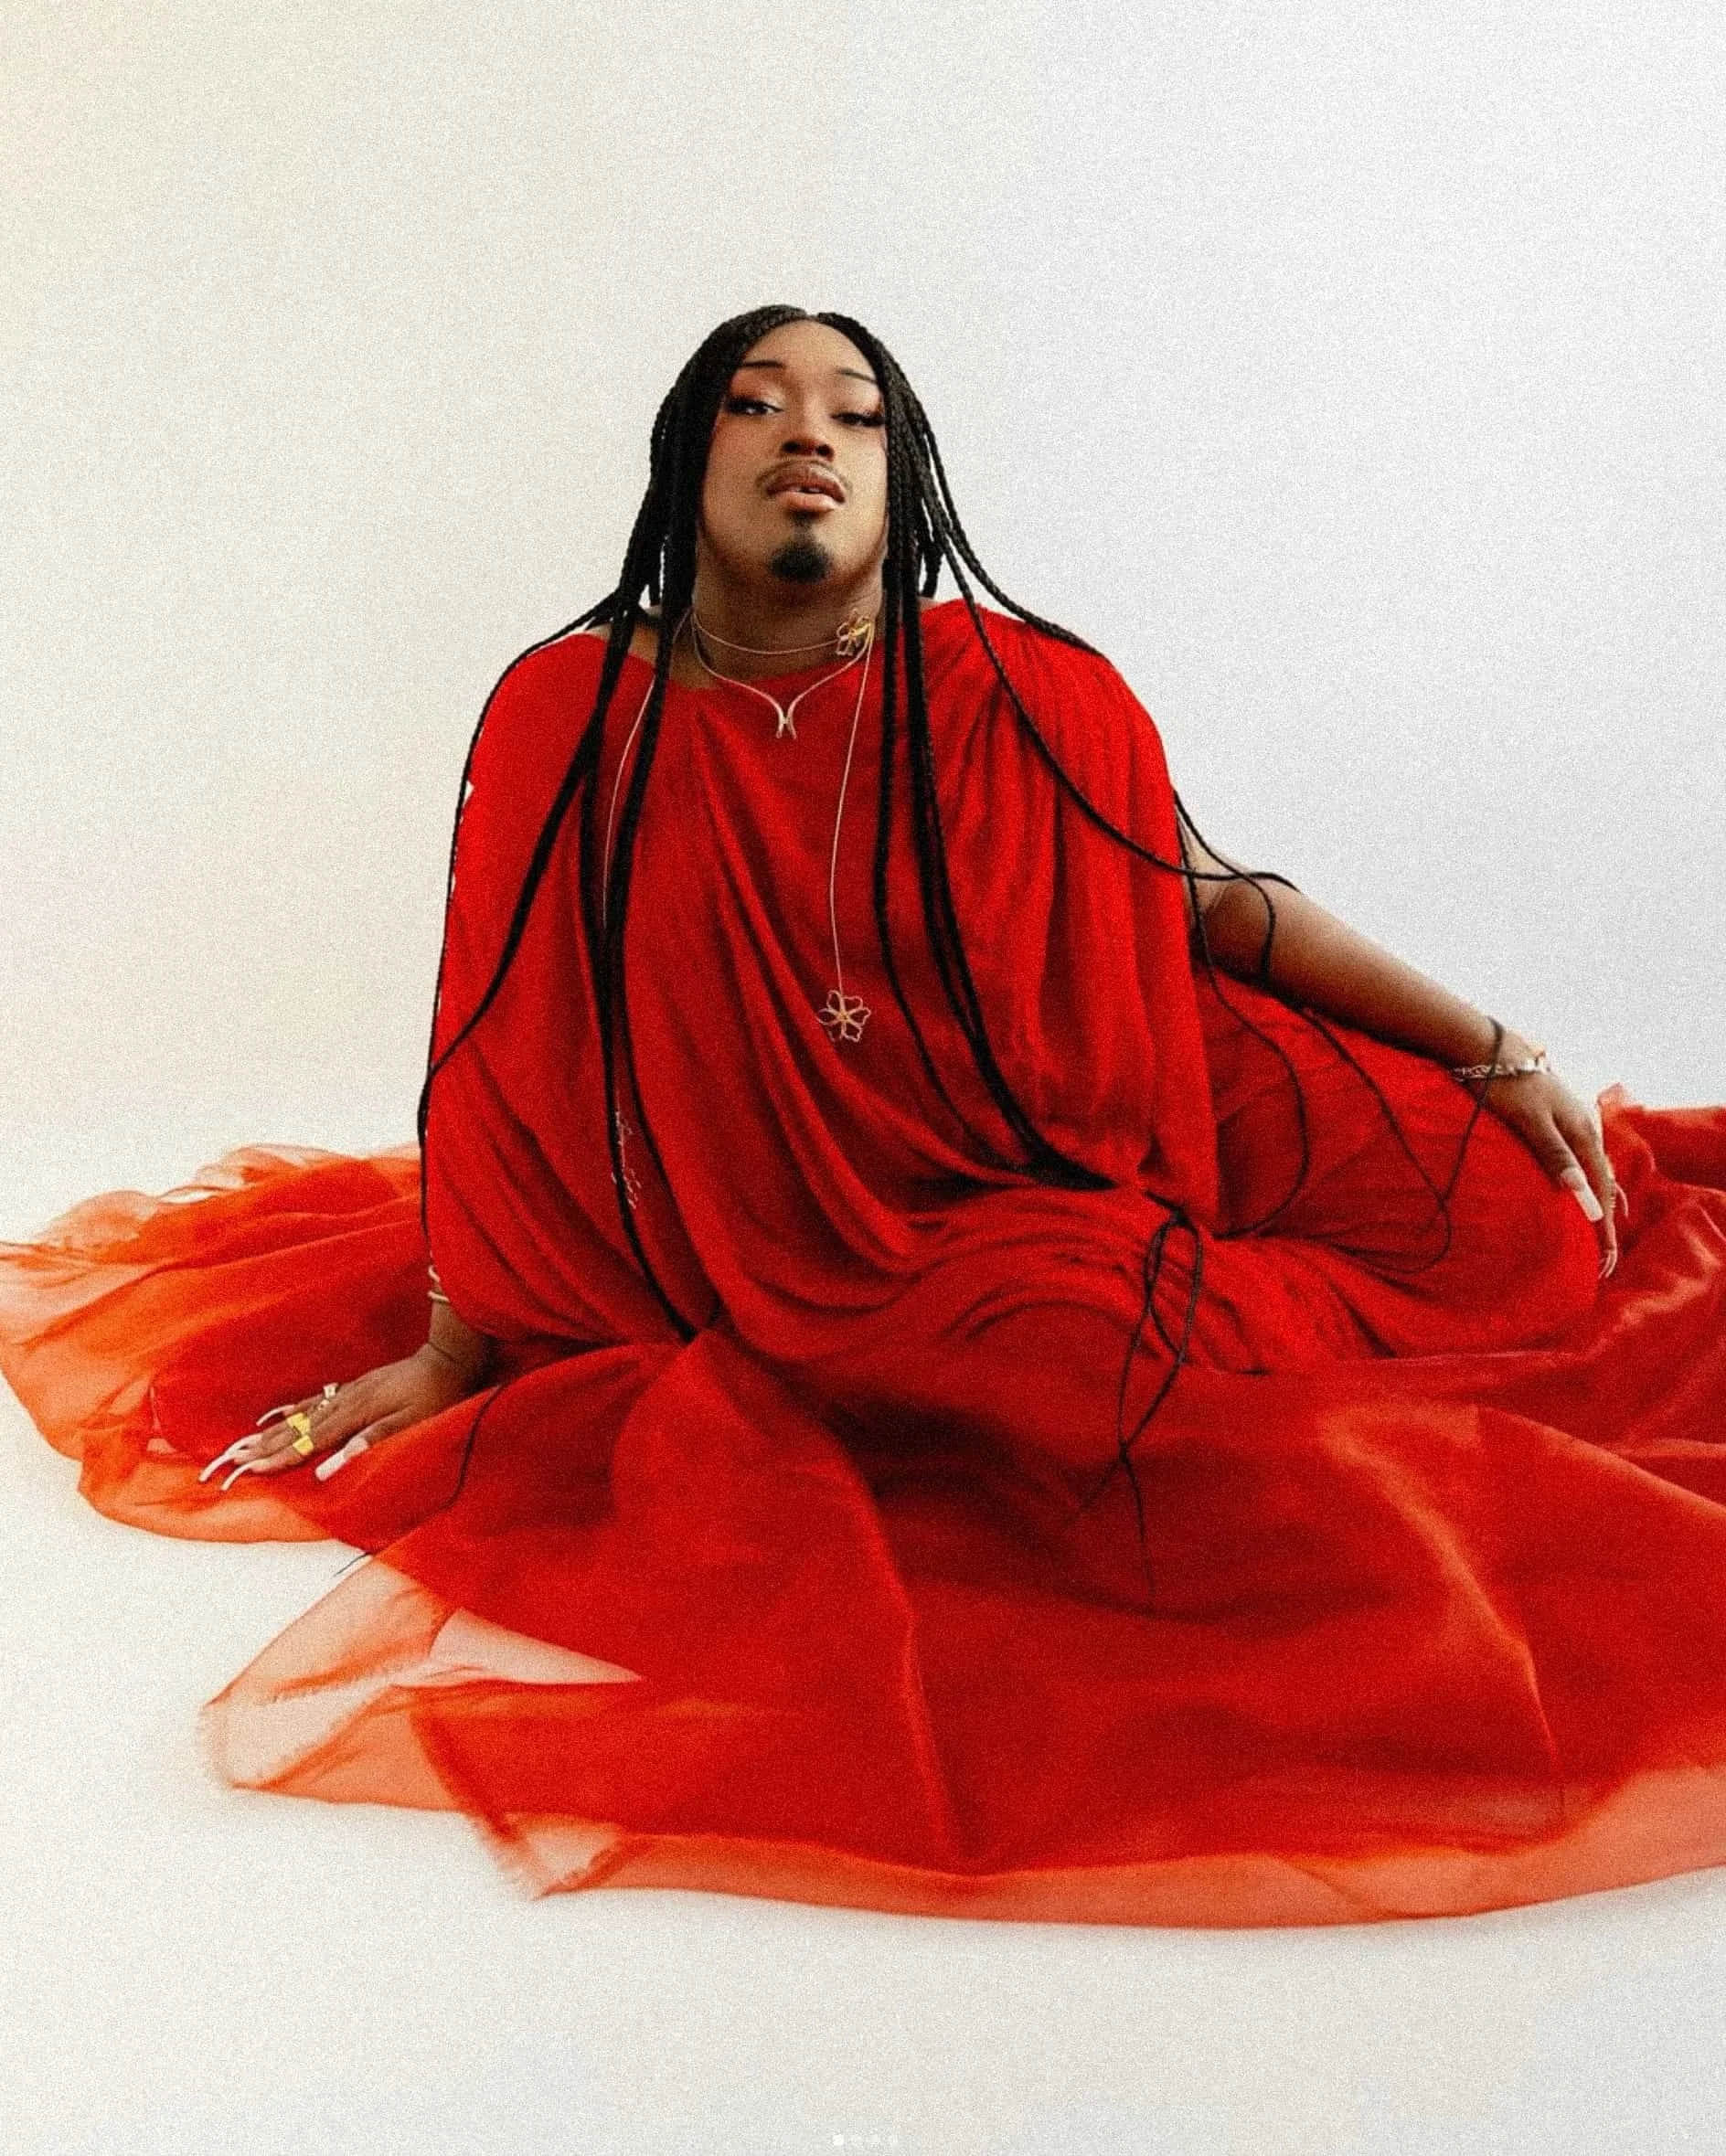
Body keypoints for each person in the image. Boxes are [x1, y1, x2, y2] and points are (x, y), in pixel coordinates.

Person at [3, 305, 1723, 1928]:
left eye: (856, 412)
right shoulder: (568, 714)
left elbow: (1210, 905)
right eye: (758, 404)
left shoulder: (1037, 689)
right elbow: (500, 1043)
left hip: (1167, 1090)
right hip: (903, 1235)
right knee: (1097, 1398)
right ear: (690, 467)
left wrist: (1495, 1045)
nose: (807, 435)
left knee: (1527, 1219)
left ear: (908, 485)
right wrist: (456, 1350)